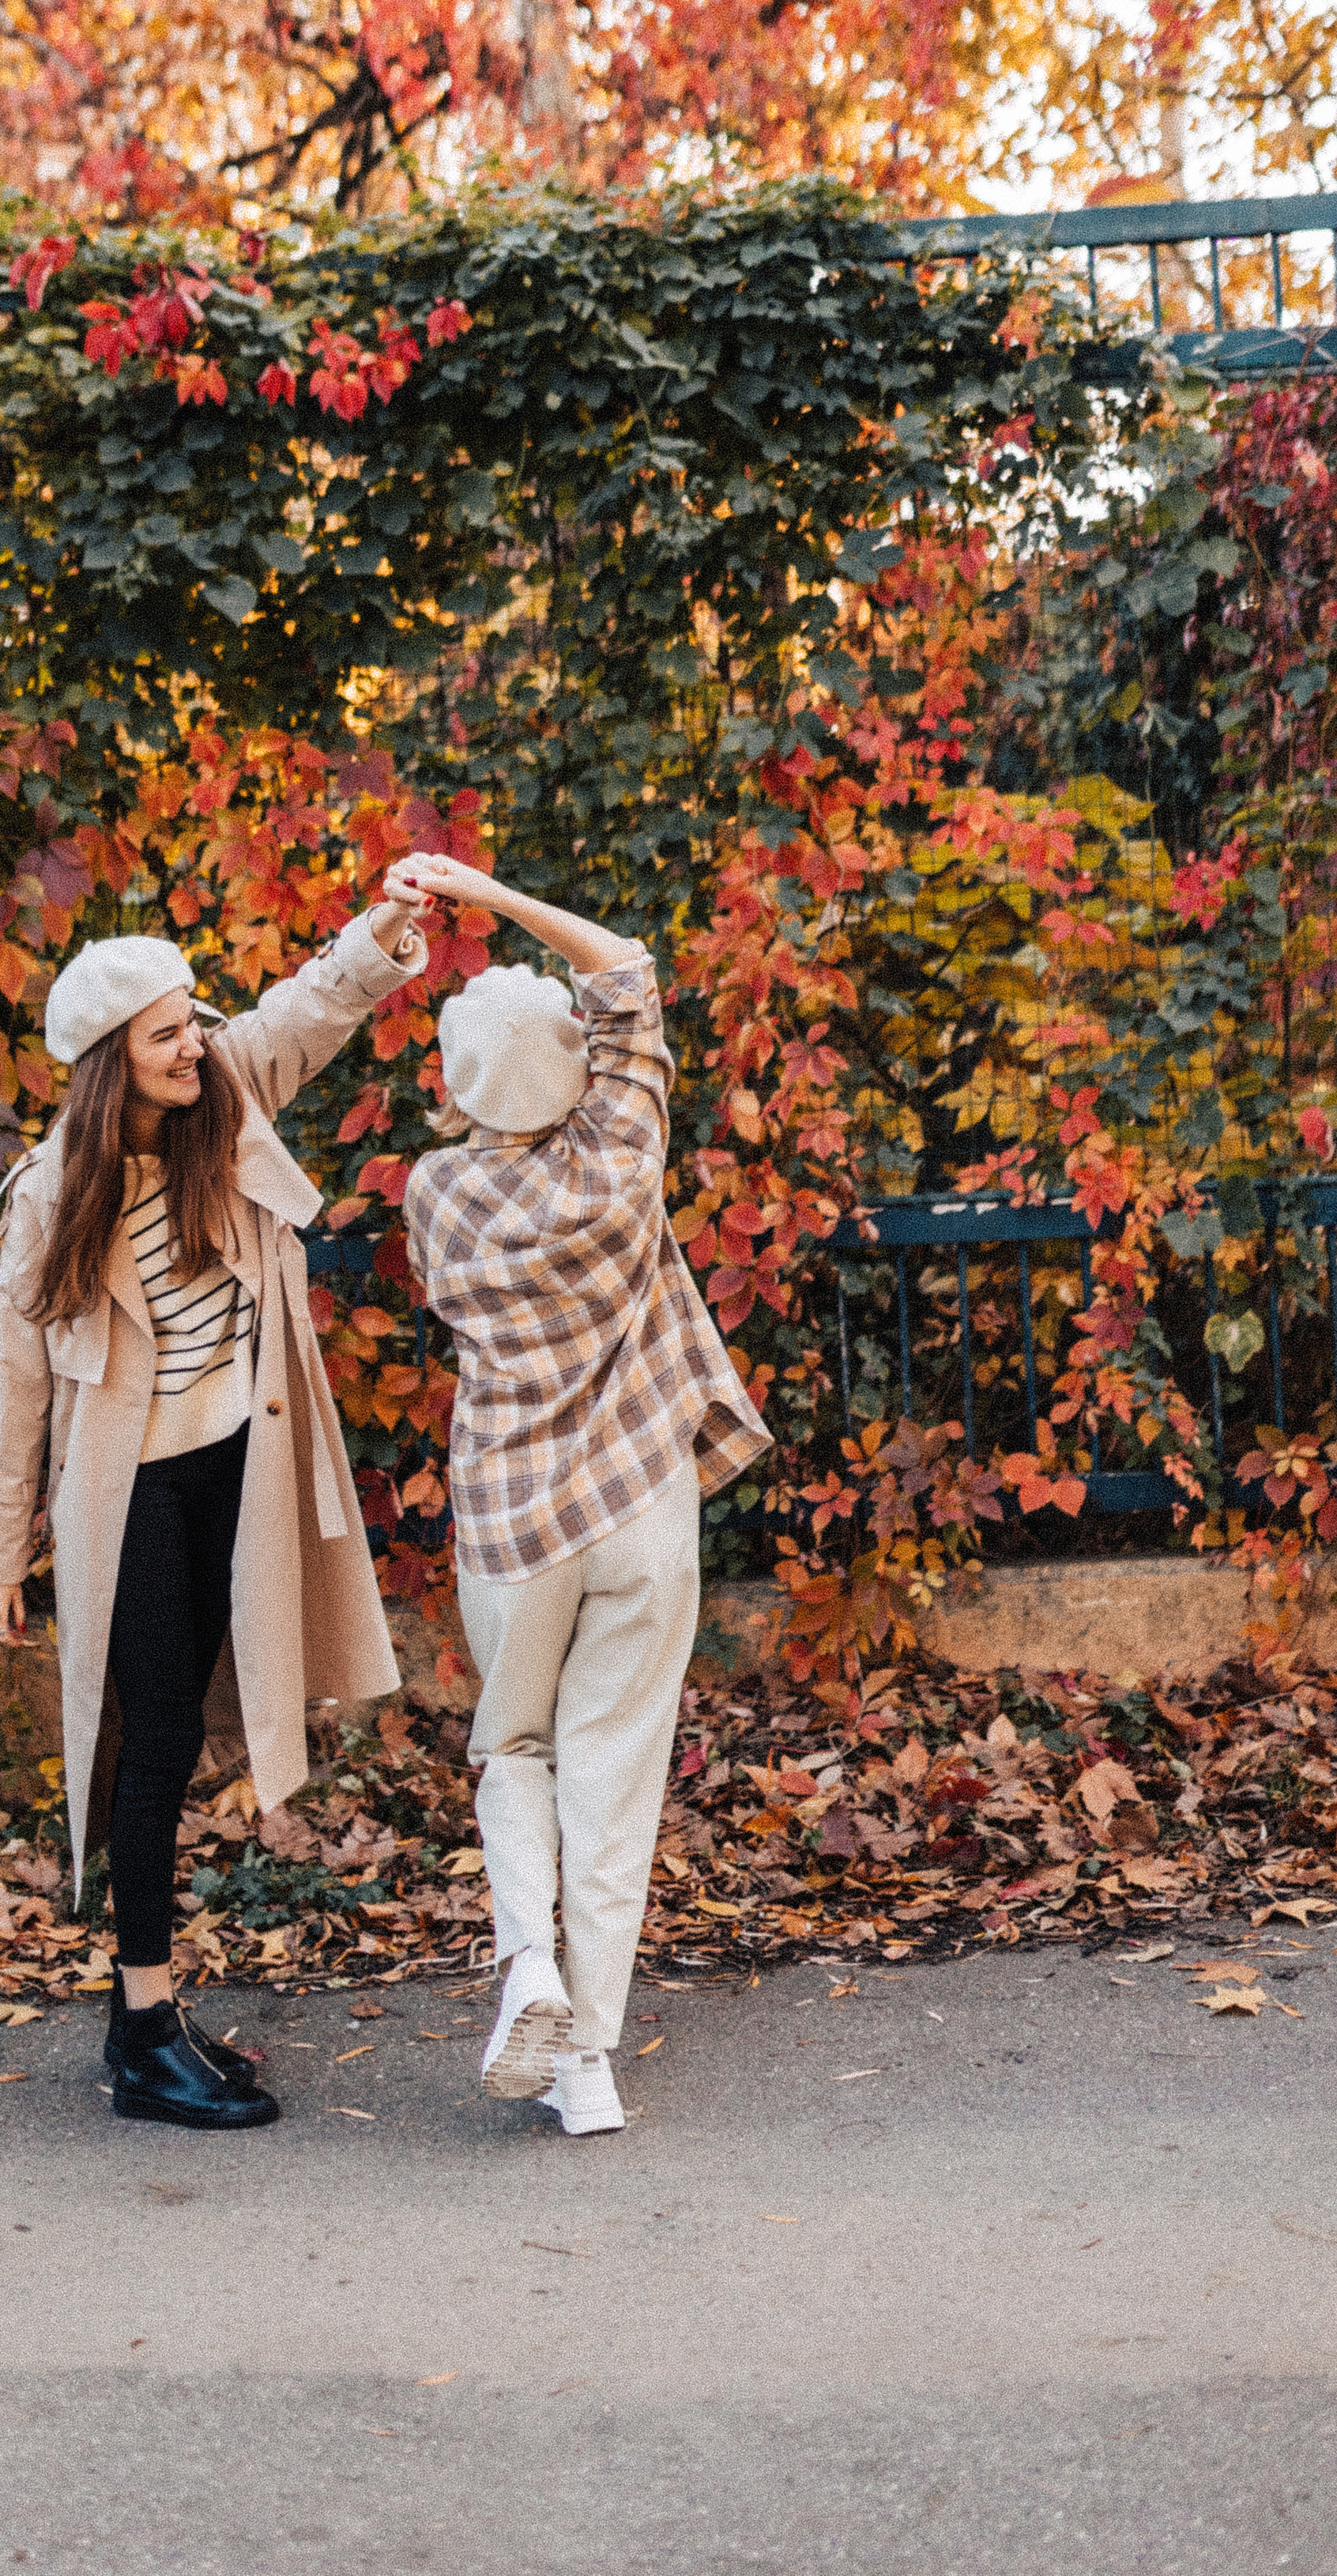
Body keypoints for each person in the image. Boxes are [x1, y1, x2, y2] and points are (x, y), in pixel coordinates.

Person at [0, 881, 428, 2132]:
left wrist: (384, 932)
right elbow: (16, 1387)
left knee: (206, 1736)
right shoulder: (53, 1196)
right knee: (155, 1743)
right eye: (167, 1033)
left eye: (192, 1022)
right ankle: (145, 2025)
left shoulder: (224, 1099)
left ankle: (147, 2023)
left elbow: (314, 1004)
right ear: (114, 1061)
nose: (195, 1044)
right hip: (134, 1496)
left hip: (244, 1463)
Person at [394, 854, 770, 2137]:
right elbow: (622, 971)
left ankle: (528, 1968)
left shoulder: (433, 1192)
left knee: (514, 1747)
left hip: (513, 1518)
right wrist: (490, 895)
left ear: (459, 1085)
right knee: (617, 1768)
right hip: (638, 1506)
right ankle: (588, 2064)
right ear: (572, 1069)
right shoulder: (623, 1148)